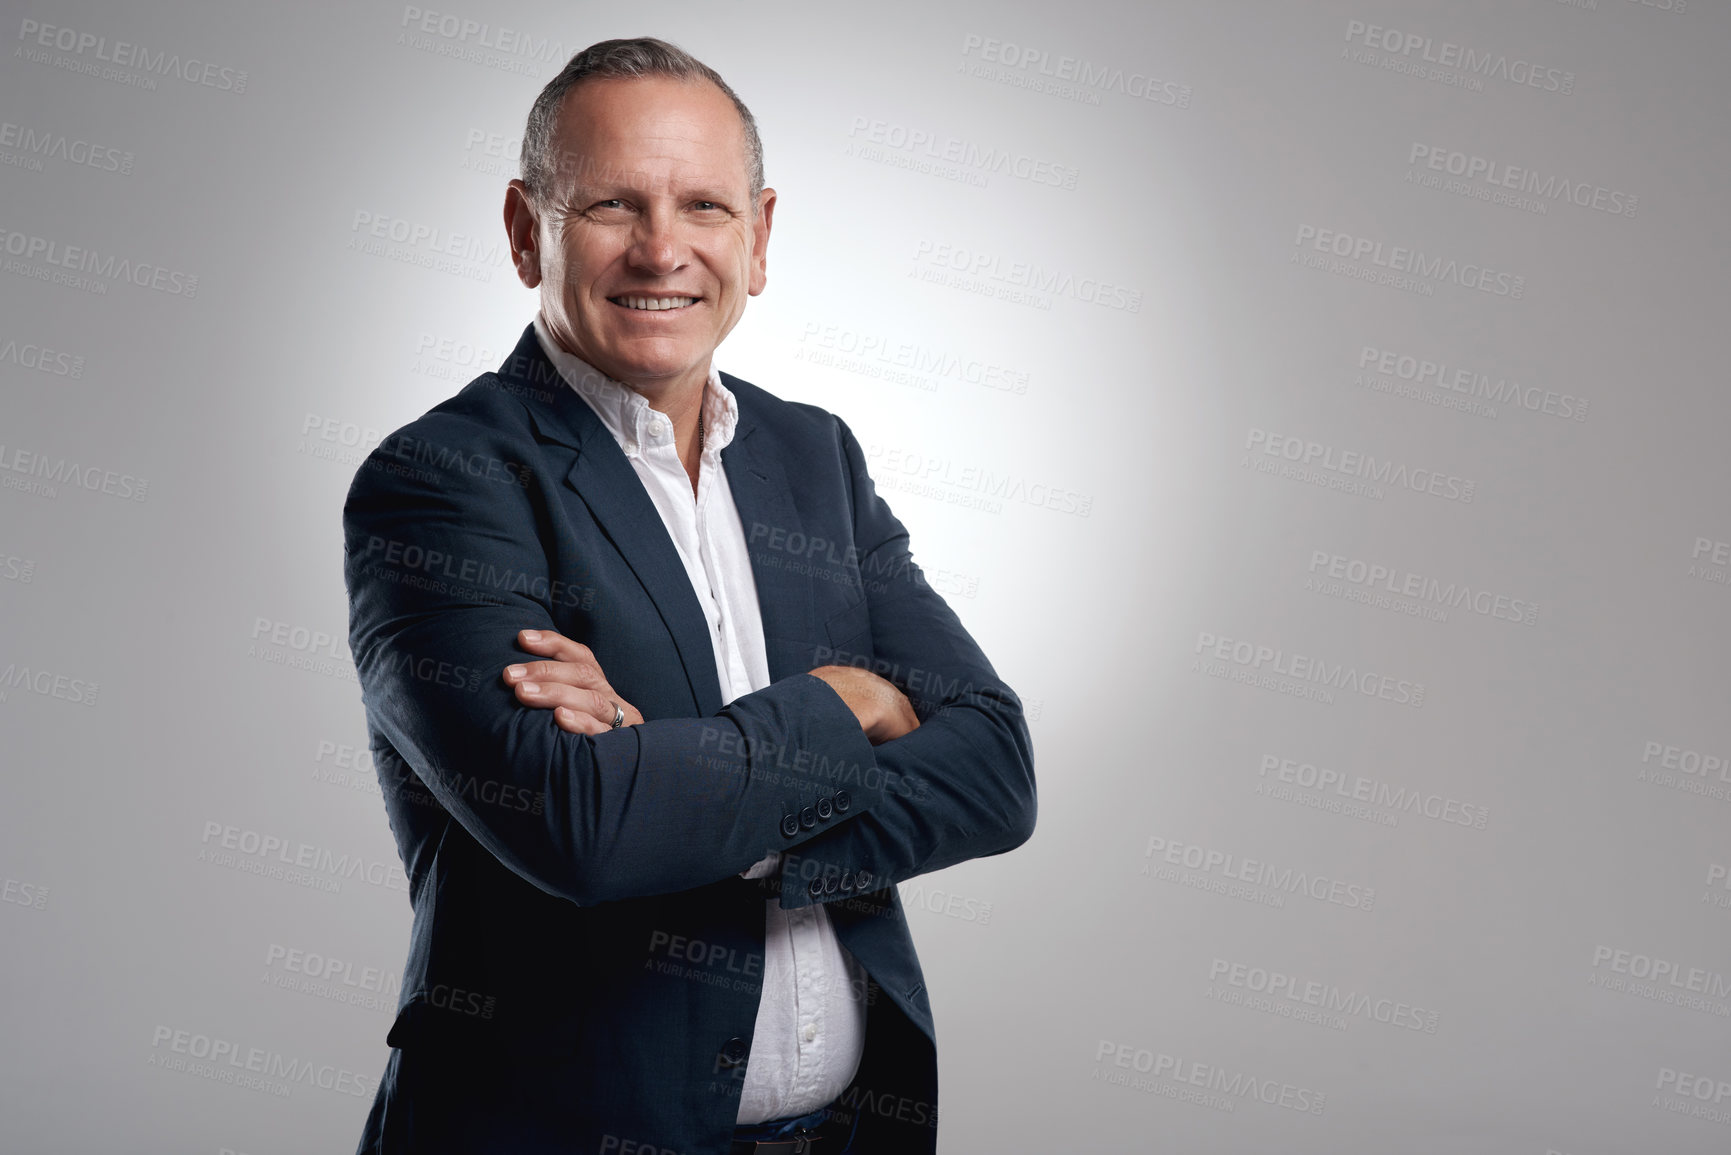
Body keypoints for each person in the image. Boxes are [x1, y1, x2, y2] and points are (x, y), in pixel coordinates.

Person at [342, 37, 1035, 1154]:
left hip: (840, 1130)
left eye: (705, 206)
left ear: (758, 240)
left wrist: (671, 760)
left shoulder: (815, 459)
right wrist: (850, 704)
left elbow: (997, 773)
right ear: (528, 231)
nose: (663, 249)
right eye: (615, 202)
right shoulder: (441, 482)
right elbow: (584, 828)